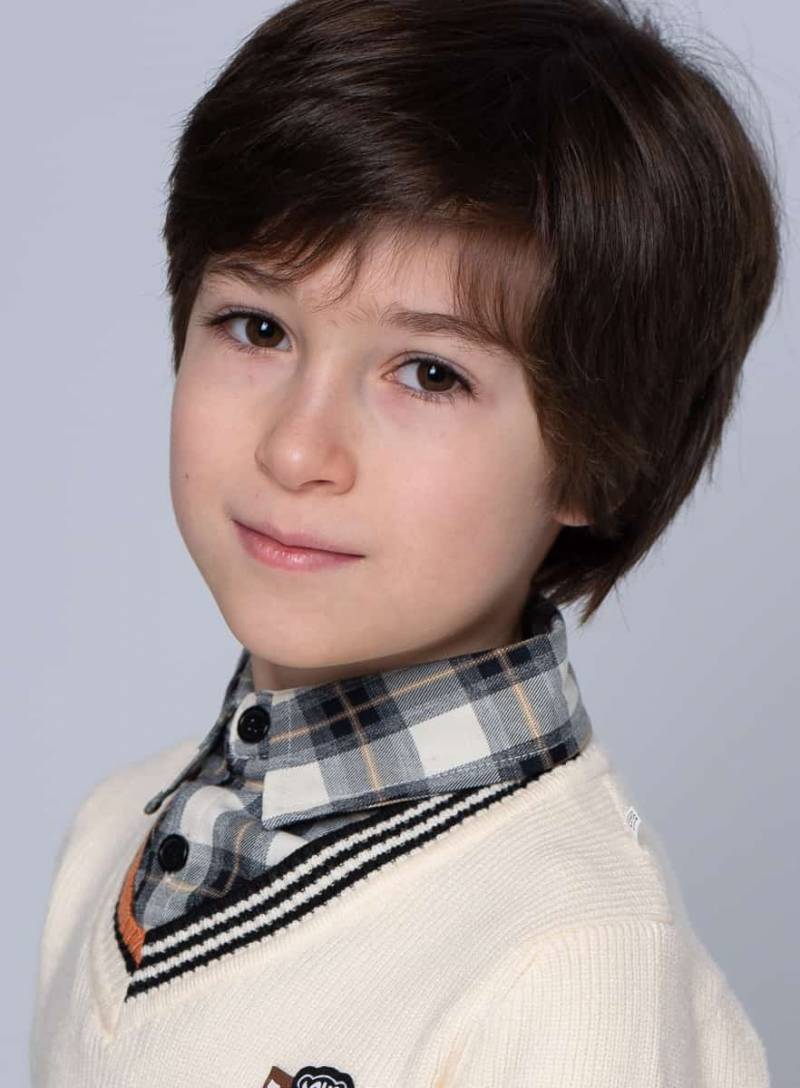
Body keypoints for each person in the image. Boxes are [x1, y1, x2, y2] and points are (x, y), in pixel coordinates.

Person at [30, 0, 780, 1084]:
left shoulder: (572, 964)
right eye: (257, 326)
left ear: (596, 457)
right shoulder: (117, 832)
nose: (297, 448)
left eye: (430, 373)